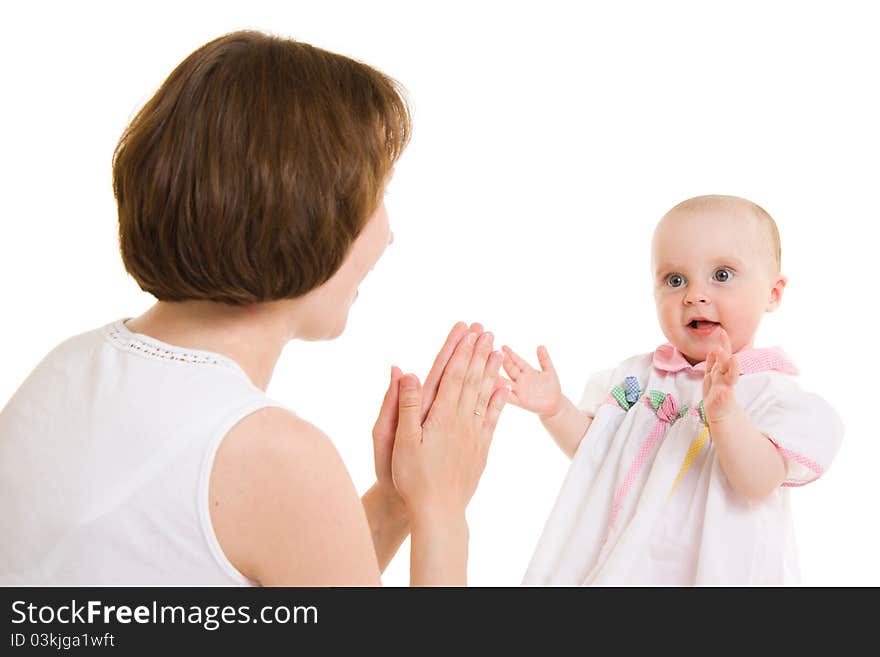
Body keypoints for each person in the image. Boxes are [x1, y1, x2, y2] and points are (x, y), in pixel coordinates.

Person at [0, 30, 508, 586]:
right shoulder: (274, 456)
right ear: (306, 211)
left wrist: (395, 503)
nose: (388, 235)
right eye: (377, 195)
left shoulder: (68, 367)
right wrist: (442, 510)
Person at [502, 195, 844, 585]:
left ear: (773, 293)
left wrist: (725, 416)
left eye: (722, 275)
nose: (694, 295)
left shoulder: (768, 394)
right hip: (620, 567)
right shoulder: (639, 378)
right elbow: (596, 452)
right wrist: (555, 409)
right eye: (675, 280)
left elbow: (758, 481)